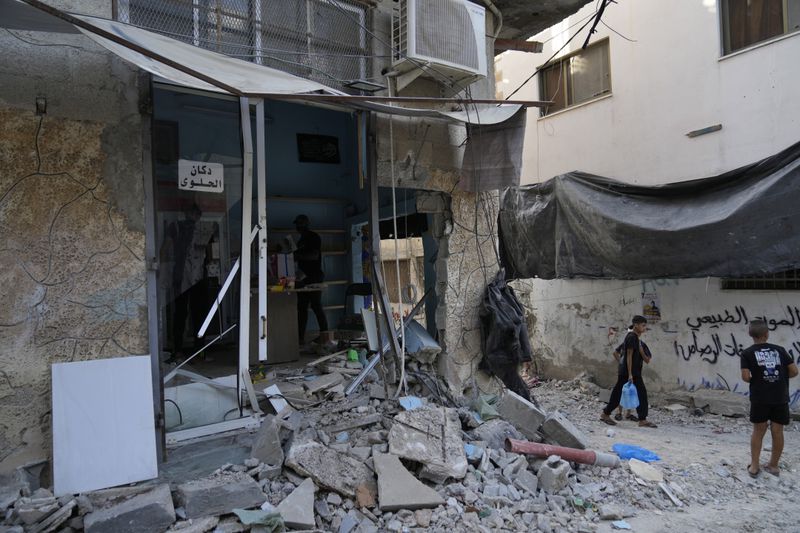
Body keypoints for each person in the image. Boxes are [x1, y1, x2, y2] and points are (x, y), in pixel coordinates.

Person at [740, 319, 798, 478]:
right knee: (778, 431)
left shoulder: (747, 353)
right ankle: (773, 466)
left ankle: (754, 466)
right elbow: (794, 371)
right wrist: (779, 379)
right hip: (780, 396)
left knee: (758, 431)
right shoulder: (780, 350)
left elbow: (745, 377)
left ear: (750, 334)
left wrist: (759, 380)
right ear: (767, 334)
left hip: (760, 397)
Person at [163, 203, 216, 362]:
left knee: (192, 314)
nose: (194, 217)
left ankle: (194, 351)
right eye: (192, 213)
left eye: (195, 214)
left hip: (194, 277)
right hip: (183, 277)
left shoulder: (201, 229)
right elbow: (165, 249)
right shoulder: (178, 227)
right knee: (185, 314)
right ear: (186, 213)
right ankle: (186, 351)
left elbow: (210, 252)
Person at [600, 315, 657, 427]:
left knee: (640, 394)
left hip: (632, 372)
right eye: (643, 325)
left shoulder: (635, 338)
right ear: (636, 325)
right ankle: (605, 413)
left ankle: (642, 419)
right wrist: (630, 374)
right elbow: (629, 356)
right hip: (629, 373)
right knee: (618, 393)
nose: (644, 328)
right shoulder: (631, 337)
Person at [293, 214, 328, 344]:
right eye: (297, 224)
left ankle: (325, 336)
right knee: (301, 307)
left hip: (314, 276)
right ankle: (300, 338)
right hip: (304, 277)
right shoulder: (301, 240)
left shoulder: (313, 237)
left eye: (301, 224)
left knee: (316, 305)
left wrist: (297, 255)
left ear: (307, 224)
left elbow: (313, 256)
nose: (298, 226)